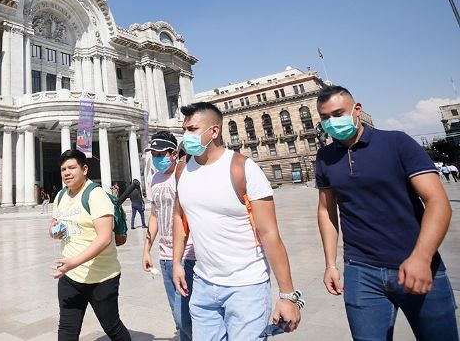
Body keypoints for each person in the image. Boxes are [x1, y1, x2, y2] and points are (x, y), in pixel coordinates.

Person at [315, 85, 457, 341]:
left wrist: (422, 257)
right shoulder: (324, 157)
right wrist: (330, 265)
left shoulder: (396, 142)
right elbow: (326, 211)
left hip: (418, 266)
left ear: (357, 110)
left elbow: (437, 201)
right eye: (325, 118)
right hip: (360, 271)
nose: (332, 122)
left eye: (338, 114)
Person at [172, 102, 302, 340]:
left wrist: (287, 295)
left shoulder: (243, 168)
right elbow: (179, 217)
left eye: (192, 129)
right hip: (203, 286)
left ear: (214, 131)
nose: (186, 136)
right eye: (185, 130)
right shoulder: (182, 170)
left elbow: (270, 234)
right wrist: (177, 262)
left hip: (246, 287)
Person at [50, 149, 131, 341]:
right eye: (63, 169)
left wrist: (73, 263)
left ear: (84, 169)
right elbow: (53, 225)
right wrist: (55, 231)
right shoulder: (61, 196)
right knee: (67, 330)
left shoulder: (96, 195)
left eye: (72, 168)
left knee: (112, 327)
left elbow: (104, 238)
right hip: (70, 276)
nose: (67, 173)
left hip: (101, 277)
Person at [142, 131, 196, 341]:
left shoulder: (184, 174)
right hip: (165, 256)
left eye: (160, 153)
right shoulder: (154, 179)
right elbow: (154, 215)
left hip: (188, 253)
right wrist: (147, 249)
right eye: (153, 154)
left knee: (184, 315)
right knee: (178, 314)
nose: (156, 158)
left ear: (173, 153)